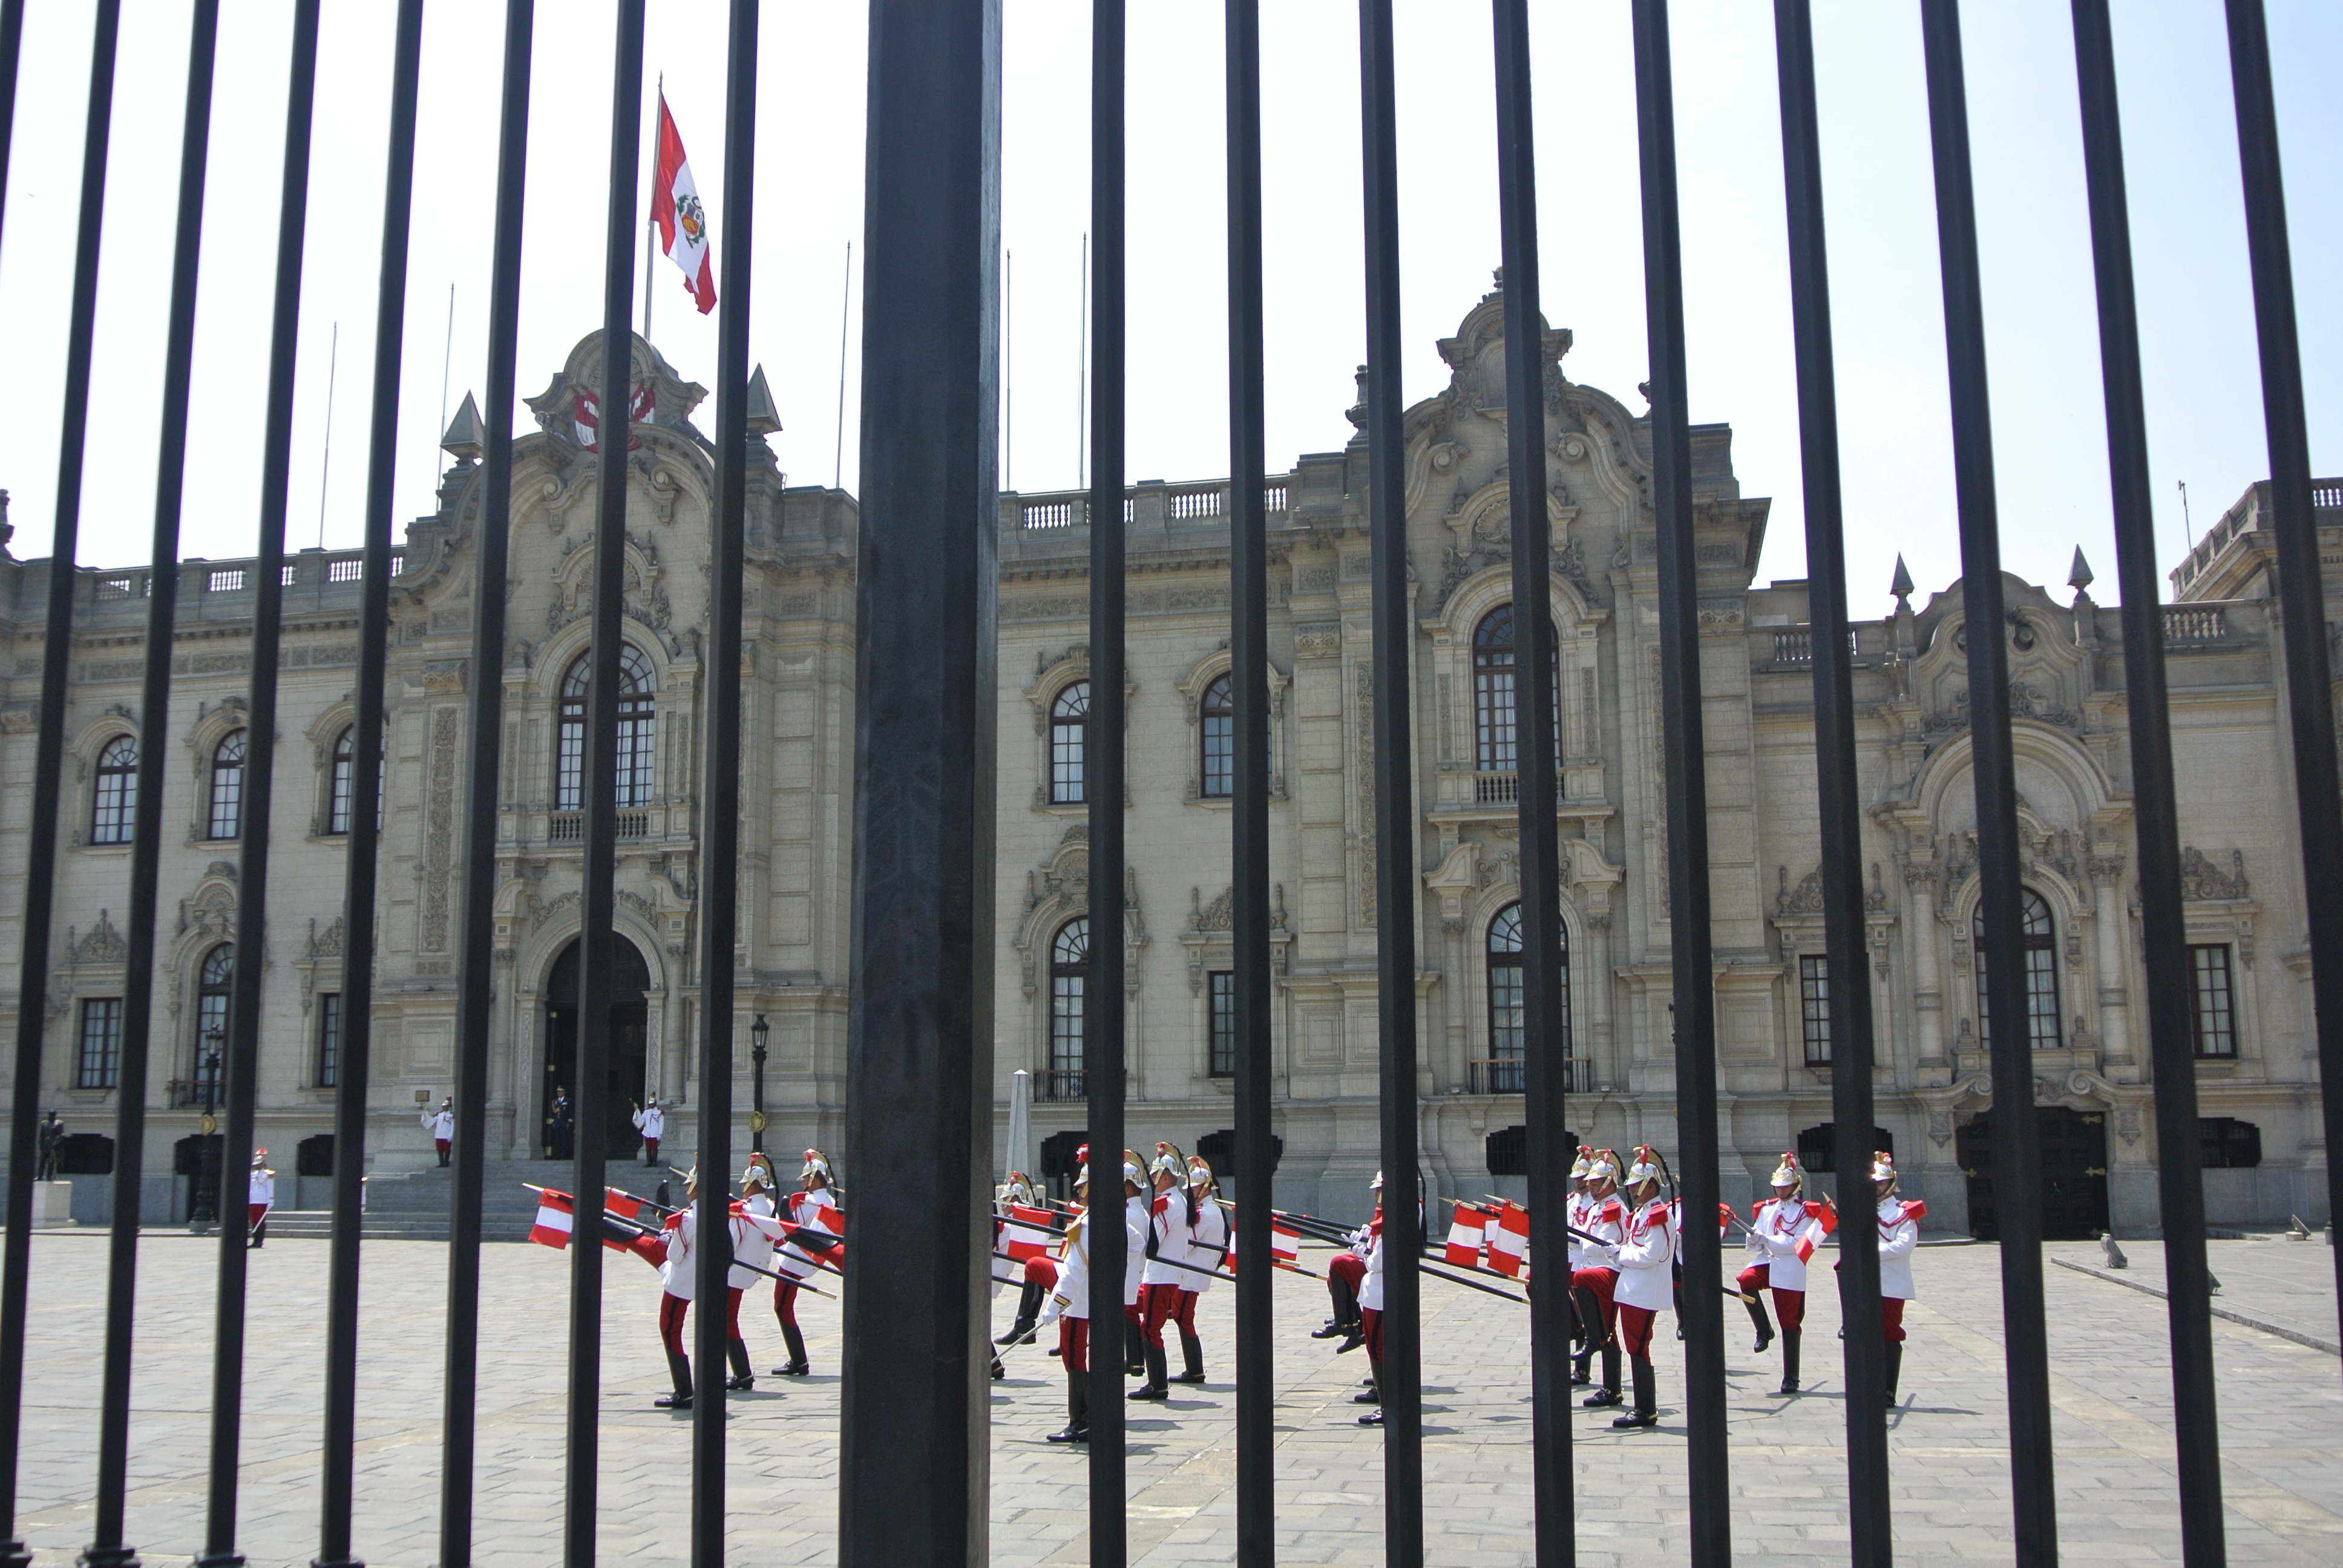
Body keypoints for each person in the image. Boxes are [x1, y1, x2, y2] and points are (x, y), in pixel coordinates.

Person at [1598, 1145, 1676, 1429]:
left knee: (1638, 1347)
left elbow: (1651, 1255)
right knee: (1634, 1346)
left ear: (1650, 1186)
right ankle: (1642, 1406)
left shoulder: (1658, 1214)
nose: (1630, 1191)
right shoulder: (1643, 1213)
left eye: (1635, 1186)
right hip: (1634, 1287)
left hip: (1646, 1289)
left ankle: (1646, 1408)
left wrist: (1619, 1253)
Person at [1741, 1152, 1830, 1395]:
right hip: (1767, 1261)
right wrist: (1753, 1239)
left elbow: (1796, 1244)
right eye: (1778, 1187)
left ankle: (1791, 1377)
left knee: (1790, 1322)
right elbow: (1756, 1244)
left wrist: (1765, 1239)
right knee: (1745, 1281)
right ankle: (1763, 1329)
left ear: (1795, 1186)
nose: (1780, 1191)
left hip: (1790, 1266)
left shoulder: (1805, 1212)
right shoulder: (1766, 1210)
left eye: (1785, 1187)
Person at [1131, 1145, 1192, 1401]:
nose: (1153, 1182)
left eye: (1156, 1176)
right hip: (1169, 1273)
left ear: (1166, 1177)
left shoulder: (1166, 1205)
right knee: (1140, 1319)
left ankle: (1157, 1385)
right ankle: (1139, 1367)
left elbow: (1152, 1241)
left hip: (1160, 1275)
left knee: (1150, 1329)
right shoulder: (1180, 1201)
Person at [771, 1149, 838, 1376]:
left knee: (782, 1307)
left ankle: (799, 1361)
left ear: (813, 1178)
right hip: (808, 1260)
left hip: (794, 1260)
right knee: (784, 1307)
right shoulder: (830, 1200)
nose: (804, 1185)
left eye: (807, 1179)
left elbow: (789, 1228)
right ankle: (797, 1360)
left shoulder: (804, 1202)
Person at [1570, 1150, 1627, 1407]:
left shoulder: (1614, 1209)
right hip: (1594, 1270)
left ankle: (1612, 1389)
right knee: (1604, 1329)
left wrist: (1580, 1240)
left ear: (1608, 1184)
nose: (1590, 1188)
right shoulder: (1598, 1208)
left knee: (1607, 1331)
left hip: (1609, 1272)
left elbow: (1601, 1244)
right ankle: (1578, 1330)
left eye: (1595, 1184)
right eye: (1589, 1184)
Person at [726, 1158, 784, 1392]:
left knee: (726, 1321)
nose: (743, 1188)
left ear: (753, 1184)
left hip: (736, 1270)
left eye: (746, 1184)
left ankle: (743, 1374)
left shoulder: (745, 1210)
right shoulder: (770, 1206)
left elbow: (732, 1242)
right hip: (757, 1265)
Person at [1875, 1151, 1923, 1410]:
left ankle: (1888, 1391)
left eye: (1881, 1184)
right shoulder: (1864, 1210)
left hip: (1891, 1283)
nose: (1877, 1189)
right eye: (1875, 1184)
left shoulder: (1904, 1213)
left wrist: (1869, 1253)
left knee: (1890, 1334)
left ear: (1892, 1185)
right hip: (1866, 1282)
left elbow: (1903, 1246)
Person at [1172, 1156, 1227, 1385]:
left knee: (1183, 1318)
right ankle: (1193, 1369)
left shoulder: (1205, 1212)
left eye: (1194, 1188)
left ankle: (1195, 1370)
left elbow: (1189, 1241)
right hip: (1193, 1271)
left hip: (1191, 1273)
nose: (1190, 1193)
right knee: (1181, 1317)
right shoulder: (1209, 1209)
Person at [654, 1167, 700, 1410]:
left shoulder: (689, 1218)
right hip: (701, 1280)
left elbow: (674, 1255)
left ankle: (683, 1392)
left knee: (670, 1330)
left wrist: (670, 1236)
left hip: (681, 1281)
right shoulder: (716, 1213)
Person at [1561, 1147, 1599, 1383]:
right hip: (1567, 1257)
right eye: (1575, 1178)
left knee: (1585, 1312)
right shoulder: (1571, 1200)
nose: (1577, 1183)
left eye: (1582, 1179)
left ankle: (1582, 1370)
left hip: (1582, 1260)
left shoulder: (1593, 1204)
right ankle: (1571, 1328)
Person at [1354, 1175, 1388, 1426]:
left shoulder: (1391, 1221)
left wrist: (1364, 1254)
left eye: (1379, 1191)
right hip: (1375, 1294)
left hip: (1380, 1295)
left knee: (1378, 1350)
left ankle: (1387, 1405)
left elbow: (1378, 1263)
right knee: (1377, 1349)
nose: (1376, 1196)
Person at [1120, 1152, 1149, 1377]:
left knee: (1129, 1315)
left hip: (1128, 1270)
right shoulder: (1139, 1211)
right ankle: (1135, 1360)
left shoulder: (1128, 1214)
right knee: (1129, 1316)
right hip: (1134, 1269)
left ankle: (1136, 1362)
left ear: (1129, 1188)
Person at [246, 1149, 275, 1250]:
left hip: (261, 1201)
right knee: (253, 1221)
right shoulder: (252, 1174)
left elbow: (270, 1188)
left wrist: (270, 1200)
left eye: (258, 1164)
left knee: (260, 1221)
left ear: (263, 1164)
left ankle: (260, 1241)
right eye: (255, 1164)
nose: (256, 1166)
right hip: (252, 1200)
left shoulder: (268, 1174)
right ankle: (255, 1240)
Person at [421, 1097, 454, 1168]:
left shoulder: (451, 1115)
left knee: (447, 1149)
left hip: (447, 1135)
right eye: (443, 1106)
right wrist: (426, 1112)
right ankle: (441, 1162)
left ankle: (446, 1162)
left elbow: (453, 1126)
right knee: (440, 1150)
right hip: (439, 1135)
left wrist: (451, 1135)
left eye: (445, 1106)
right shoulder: (440, 1115)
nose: (444, 1108)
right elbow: (431, 1121)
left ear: (448, 1107)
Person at [632, 1098, 665, 1167]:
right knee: (648, 1147)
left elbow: (661, 1124)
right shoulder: (646, 1112)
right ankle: (649, 1162)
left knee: (654, 1148)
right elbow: (642, 1121)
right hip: (647, 1132)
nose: (651, 1105)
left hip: (655, 1133)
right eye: (650, 1104)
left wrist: (659, 1134)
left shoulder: (659, 1113)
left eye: (652, 1103)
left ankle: (654, 1162)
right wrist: (637, 1111)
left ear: (655, 1104)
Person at [36, 1111, 64, 1181]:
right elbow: (42, 1135)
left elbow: (61, 1136)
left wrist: (55, 1144)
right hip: (46, 1145)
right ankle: (40, 1176)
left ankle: (49, 1177)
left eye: (53, 1115)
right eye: (51, 1115)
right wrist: (41, 1145)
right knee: (42, 1162)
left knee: (51, 1162)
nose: (52, 1116)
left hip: (53, 1146)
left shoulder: (58, 1124)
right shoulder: (44, 1124)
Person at [548, 1091, 573, 1161]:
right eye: (558, 1092)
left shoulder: (568, 1101)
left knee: (564, 1139)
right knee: (557, 1139)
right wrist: (553, 1121)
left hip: (564, 1122)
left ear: (564, 1093)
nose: (559, 1093)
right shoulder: (555, 1101)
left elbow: (570, 1112)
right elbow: (553, 1113)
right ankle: (557, 1154)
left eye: (560, 1092)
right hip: (557, 1123)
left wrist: (569, 1121)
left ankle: (563, 1155)